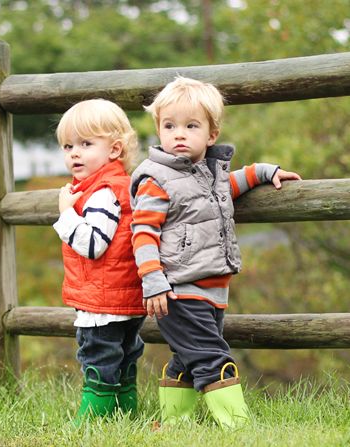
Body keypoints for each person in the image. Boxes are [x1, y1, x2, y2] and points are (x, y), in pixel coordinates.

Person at [129, 77, 301, 428]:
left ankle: (173, 423)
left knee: (187, 358)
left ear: (211, 134)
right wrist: (152, 278)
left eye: (191, 126)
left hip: (211, 290)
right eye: (169, 125)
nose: (179, 134)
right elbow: (143, 231)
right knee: (212, 357)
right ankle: (237, 426)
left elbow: (234, 184)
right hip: (177, 289)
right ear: (158, 129)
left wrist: (266, 172)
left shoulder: (210, 176)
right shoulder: (156, 179)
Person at [52, 99, 146, 425]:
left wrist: (66, 213)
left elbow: (93, 244)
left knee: (98, 355)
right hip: (125, 297)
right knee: (124, 355)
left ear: (115, 150)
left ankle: (93, 419)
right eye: (68, 146)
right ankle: (124, 412)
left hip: (104, 300)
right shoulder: (121, 185)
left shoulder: (103, 193)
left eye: (85, 144)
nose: (74, 153)